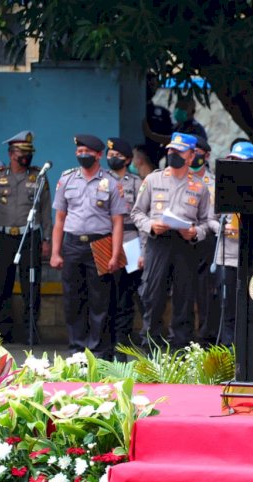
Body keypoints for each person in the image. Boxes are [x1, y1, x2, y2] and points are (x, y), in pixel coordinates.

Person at [131, 132, 213, 349]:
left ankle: (181, 347)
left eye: (178, 151)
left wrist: (195, 232)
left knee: (184, 298)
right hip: (158, 242)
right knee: (152, 294)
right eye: (170, 150)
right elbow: (137, 213)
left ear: (191, 156)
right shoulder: (152, 180)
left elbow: (208, 221)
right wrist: (150, 225)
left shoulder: (200, 187)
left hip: (185, 245)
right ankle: (150, 345)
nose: (172, 154)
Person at [50, 134, 127, 358]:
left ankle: (99, 351)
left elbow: (117, 222)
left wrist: (115, 254)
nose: (83, 155)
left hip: (101, 243)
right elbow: (60, 220)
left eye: (88, 152)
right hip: (73, 244)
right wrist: (56, 252)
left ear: (99, 155)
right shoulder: (66, 180)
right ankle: (77, 351)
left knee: (100, 301)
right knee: (73, 300)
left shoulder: (111, 182)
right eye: (79, 152)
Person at [0, 131, 52, 343]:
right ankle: (2, 331)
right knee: (1, 285)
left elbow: (46, 211)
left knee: (31, 284)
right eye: (23, 153)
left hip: (29, 237)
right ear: (12, 154)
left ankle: (31, 330)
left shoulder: (39, 177)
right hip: (3, 239)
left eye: (29, 153)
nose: (27, 157)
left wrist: (47, 239)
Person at [212, 140, 253, 346]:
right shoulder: (223, 187)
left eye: (238, 161)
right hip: (226, 256)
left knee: (249, 308)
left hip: (251, 259)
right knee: (227, 307)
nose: (234, 164)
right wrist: (221, 228)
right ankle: (226, 351)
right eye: (232, 160)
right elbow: (210, 219)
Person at [105, 138, 144, 360]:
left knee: (126, 297)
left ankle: (122, 347)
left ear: (128, 160)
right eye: (110, 155)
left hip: (131, 241)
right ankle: (106, 346)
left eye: (117, 155)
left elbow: (142, 214)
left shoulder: (137, 183)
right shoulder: (102, 180)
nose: (112, 158)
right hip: (106, 240)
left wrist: (143, 251)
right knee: (106, 294)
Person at [188, 135, 220, 345]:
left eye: (197, 152)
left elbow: (215, 218)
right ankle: (181, 340)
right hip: (179, 241)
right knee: (182, 292)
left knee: (205, 292)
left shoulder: (214, 184)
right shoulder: (177, 179)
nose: (193, 156)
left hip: (205, 242)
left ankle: (204, 338)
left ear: (206, 155)